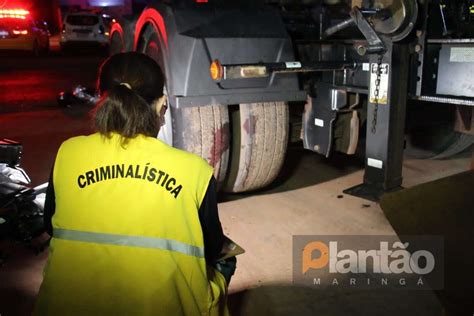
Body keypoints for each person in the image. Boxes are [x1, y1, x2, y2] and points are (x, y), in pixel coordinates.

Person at [34, 52, 233, 315]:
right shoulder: (193, 170)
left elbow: (50, 224)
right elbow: (212, 246)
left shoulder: (68, 153)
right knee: (225, 260)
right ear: (162, 103)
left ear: (103, 99)